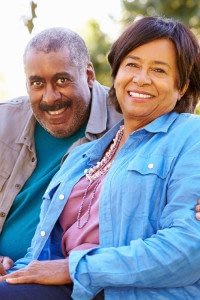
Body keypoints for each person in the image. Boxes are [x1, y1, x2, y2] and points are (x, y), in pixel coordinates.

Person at [1, 16, 200, 300]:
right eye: (132, 65)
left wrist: (76, 268)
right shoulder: (83, 155)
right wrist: (16, 274)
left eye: (159, 70)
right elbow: (41, 252)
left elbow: (190, 248)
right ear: (116, 74)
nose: (141, 78)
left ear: (181, 86)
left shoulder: (191, 137)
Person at [0, 27, 121, 269]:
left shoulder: (124, 122)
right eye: (37, 83)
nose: (50, 97)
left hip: (60, 275)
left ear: (88, 75)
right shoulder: (5, 119)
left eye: (62, 80)